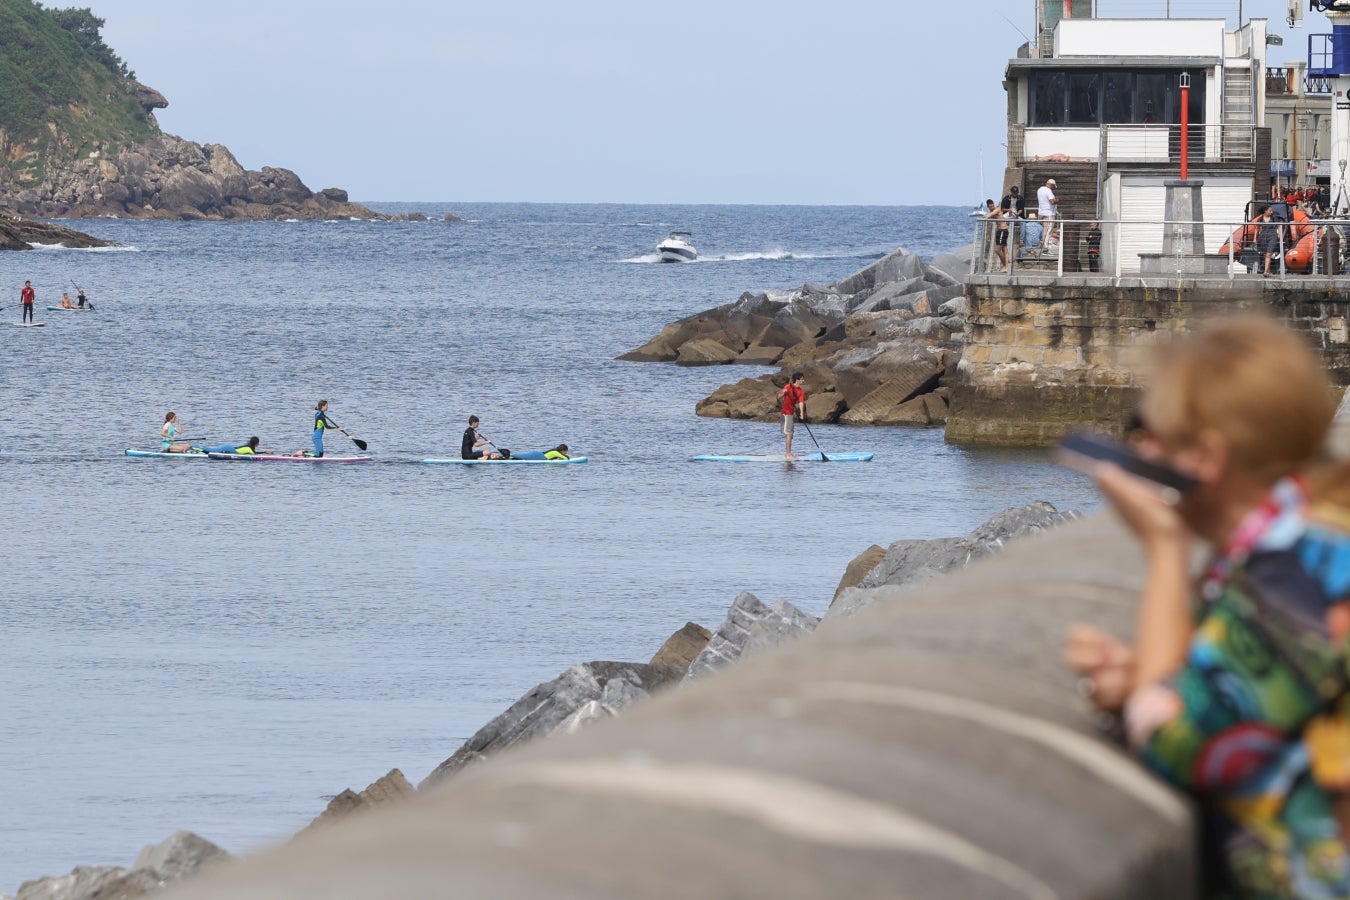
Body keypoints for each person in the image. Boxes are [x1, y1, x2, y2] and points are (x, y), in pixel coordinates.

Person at [1064, 317, 1350, 898]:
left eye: (1148, 432)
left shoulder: (1290, 581)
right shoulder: (1308, 541)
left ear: (1204, 459)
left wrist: (1164, 549)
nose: (1139, 449)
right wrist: (1153, 673)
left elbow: (1172, 742)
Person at [777, 372, 806, 460]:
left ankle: (789, 453)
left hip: (791, 413)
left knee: (791, 434)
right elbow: (778, 397)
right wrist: (783, 393)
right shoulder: (788, 387)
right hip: (785, 413)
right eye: (802, 379)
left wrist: (801, 414)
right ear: (797, 380)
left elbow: (801, 403)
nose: (803, 380)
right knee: (789, 434)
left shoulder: (800, 391)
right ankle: (788, 454)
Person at [984, 199, 1009, 273]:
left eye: (993, 205)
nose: (992, 207)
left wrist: (987, 215)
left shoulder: (997, 210)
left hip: (1003, 231)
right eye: (990, 207)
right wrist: (985, 215)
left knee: (997, 250)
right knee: (1004, 249)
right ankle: (1005, 267)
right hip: (1000, 231)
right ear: (988, 207)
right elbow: (989, 215)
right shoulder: (992, 211)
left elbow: (990, 215)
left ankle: (1004, 264)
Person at [1257, 205, 1282, 276]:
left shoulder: (1274, 218)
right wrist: (1255, 238)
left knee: (1268, 254)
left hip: (1272, 235)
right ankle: (1268, 271)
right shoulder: (1260, 219)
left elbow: (1279, 226)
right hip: (1263, 236)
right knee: (1265, 255)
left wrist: (1279, 234)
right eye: (1270, 210)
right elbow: (1257, 227)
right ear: (1265, 211)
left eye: (1271, 211)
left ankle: (1265, 271)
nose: (1271, 212)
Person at [1036, 177, 1058, 246]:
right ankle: (1045, 248)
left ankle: (1043, 245)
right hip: (1049, 213)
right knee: (1048, 231)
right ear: (1051, 184)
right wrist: (1057, 200)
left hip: (1041, 212)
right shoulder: (1048, 190)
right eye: (1053, 186)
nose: (1053, 188)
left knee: (1044, 230)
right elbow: (1052, 202)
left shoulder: (1040, 189)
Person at [197, 437, 265, 455]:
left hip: (230, 448)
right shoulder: (249, 448)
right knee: (210, 450)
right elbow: (254, 454)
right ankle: (191, 446)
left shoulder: (249, 446)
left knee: (211, 449)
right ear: (256, 443)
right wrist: (265, 453)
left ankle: (195, 447)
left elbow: (254, 453)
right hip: (229, 449)